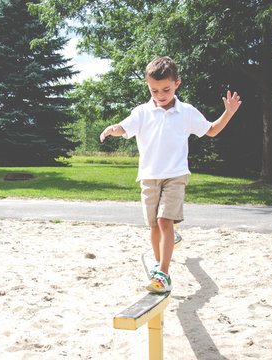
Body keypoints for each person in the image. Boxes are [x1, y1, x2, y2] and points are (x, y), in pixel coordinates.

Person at [100, 56, 242, 292]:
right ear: (148, 85)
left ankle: (164, 274)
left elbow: (212, 130)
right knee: (155, 225)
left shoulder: (186, 112)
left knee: (166, 221)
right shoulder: (142, 112)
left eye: (166, 89)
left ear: (177, 83)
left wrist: (228, 113)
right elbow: (125, 127)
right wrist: (114, 129)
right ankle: (159, 265)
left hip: (176, 175)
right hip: (148, 176)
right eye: (154, 90)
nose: (160, 94)